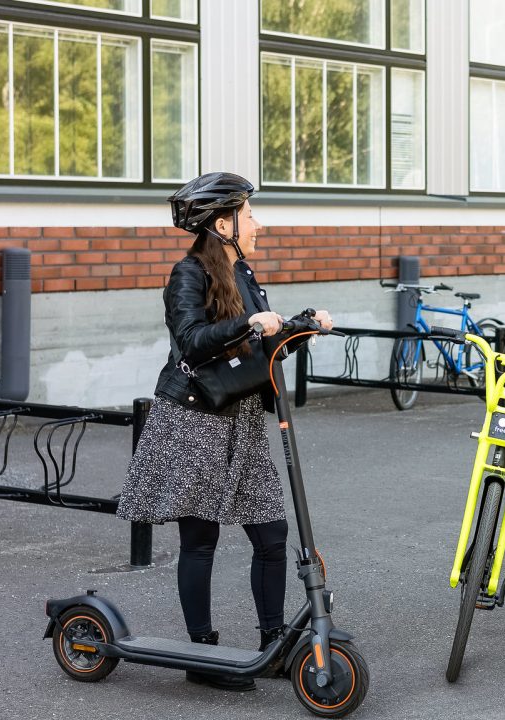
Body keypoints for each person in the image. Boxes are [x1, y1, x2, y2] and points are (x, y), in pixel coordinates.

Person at [116, 172, 333, 691]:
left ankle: (273, 644)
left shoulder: (243, 272)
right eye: (250, 214)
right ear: (223, 222)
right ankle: (201, 655)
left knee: (272, 535)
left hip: (239, 420)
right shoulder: (187, 274)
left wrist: (305, 325)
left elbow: (262, 345)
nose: (257, 223)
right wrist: (247, 326)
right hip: (194, 421)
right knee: (200, 539)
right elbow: (191, 341)